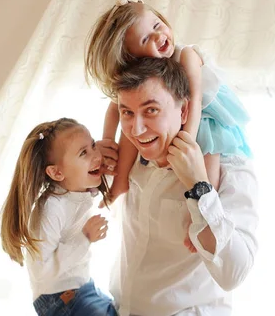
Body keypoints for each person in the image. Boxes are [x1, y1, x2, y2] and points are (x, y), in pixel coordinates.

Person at [97, 57, 259, 315]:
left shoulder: (231, 167)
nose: (136, 129)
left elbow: (234, 274)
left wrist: (199, 186)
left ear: (184, 111)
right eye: (127, 112)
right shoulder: (129, 159)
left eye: (151, 110)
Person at [85, 0, 252, 220]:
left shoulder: (186, 55)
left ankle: (202, 215)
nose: (158, 36)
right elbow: (115, 107)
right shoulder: (141, 77)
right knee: (134, 124)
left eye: (157, 25)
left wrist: (185, 145)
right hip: (177, 110)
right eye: (146, 39)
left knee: (208, 153)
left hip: (204, 112)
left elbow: (194, 100)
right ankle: (121, 181)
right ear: (135, 58)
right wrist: (108, 141)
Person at [0, 118, 118, 316]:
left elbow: (112, 178)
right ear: (56, 172)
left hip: (82, 288)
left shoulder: (79, 187)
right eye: (83, 153)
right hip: (59, 298)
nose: (96, 156)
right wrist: (85, 238)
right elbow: (41, 271)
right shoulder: (51, 208)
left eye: (93, 145)